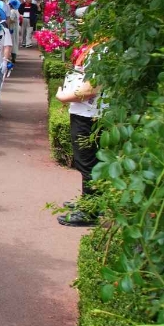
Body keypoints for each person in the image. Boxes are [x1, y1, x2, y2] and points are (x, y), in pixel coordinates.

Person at [55, 37, 102, 227]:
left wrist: (64, 97)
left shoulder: (103, 50)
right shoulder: (97, 46)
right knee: (86, 161)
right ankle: (88, 201)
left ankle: (90, 211)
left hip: (90, 114)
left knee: (88, 161)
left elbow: (91, 87)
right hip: (85, 112)